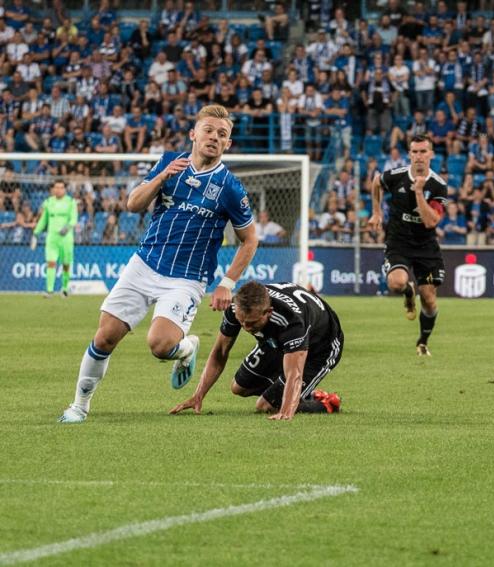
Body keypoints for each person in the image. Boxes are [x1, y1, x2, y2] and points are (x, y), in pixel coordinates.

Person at [58, 104, 259, 423]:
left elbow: (250, 240)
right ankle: (79, 406)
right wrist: (162, 176)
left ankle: (184, 348)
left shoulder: (230, 188)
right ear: (194, 134)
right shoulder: (169, 163)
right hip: (144, 264)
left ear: (228, 144)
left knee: (160, 344)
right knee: (105, 336)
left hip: (186, 279)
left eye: (222, 134)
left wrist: (227, 283)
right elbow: (133, 204)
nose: (214, 137)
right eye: (208, 130)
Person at [170, 281, 343, 420]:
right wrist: (198, 395)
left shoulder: (290, 322)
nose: (246, 327)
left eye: (252, 323)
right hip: (275, 340)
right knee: (239, 387)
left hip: (321, 346)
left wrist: (285, 411)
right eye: (242, 321)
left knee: (266, 405)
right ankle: (289, 391)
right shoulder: (235, 308)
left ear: (268, 312)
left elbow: (295, 373)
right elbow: (220, 353)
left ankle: (326, 403)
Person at [367, 134, 448, 357]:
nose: (419, 156)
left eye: (423, 152)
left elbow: (431, 221)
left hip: (426, 247)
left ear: (431, 154)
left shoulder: (439, 186)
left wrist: (419, 192)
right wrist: (376, 212)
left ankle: (422, 342)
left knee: (430, 300)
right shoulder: (396, 176)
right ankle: (407, 291)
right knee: (396, 282)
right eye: (414, 152)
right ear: (409, 154)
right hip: (398, 242)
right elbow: (376, 181)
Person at [30, 180, 77, 297]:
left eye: (61, 187)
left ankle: (65, 289)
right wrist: (36, 232)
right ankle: (49, 290)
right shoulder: (49, 202)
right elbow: (43, 220)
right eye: (56, 187)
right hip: (52, 237)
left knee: (66, 264)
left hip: (66, 238)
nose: (58, 190)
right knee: (51, 263)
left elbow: (73, 219)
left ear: (65, 189)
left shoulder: (71, 202)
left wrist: (66, 228)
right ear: (53, 189)